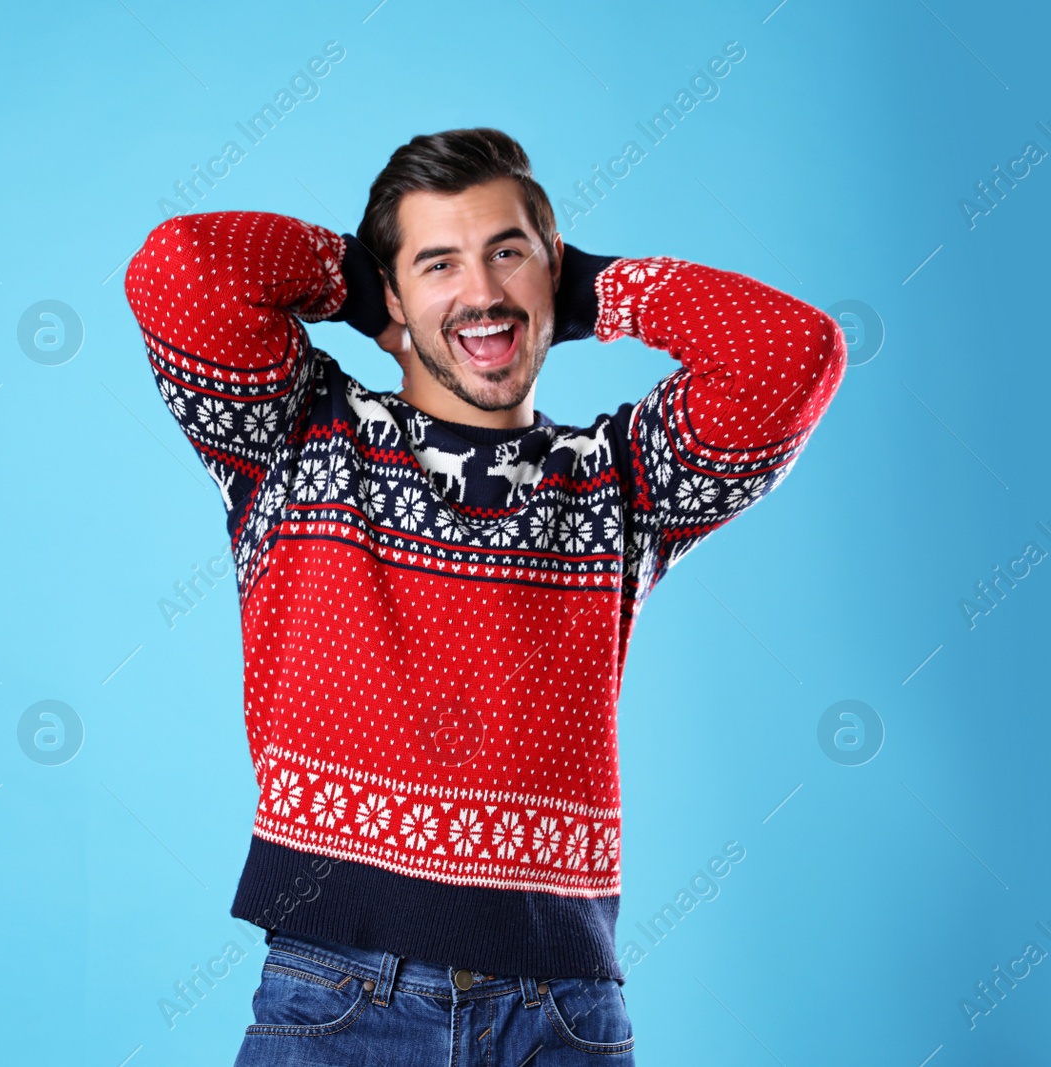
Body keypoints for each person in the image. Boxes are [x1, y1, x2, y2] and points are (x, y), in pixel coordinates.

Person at [122, 127, 845, 1065]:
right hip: (343, 992)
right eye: (438, 263)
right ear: (393, 293)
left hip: (564, 1010)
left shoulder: (622, 481)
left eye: (508, 252)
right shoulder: (298, 441)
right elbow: (181, 270)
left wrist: (588, 289)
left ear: (553, 272)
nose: (482, 291)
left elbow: (793, 353)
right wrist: (356, 278)